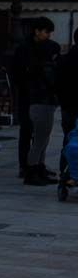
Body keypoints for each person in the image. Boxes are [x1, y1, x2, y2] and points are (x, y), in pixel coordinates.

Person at [16, 17, 61, 186]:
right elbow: (20, 74)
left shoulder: (47, 48)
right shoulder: (24, 50)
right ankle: (28, 167)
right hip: (31, 96)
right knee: (28, 131)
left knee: (41, 136)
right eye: (46, 32)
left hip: (41, 96)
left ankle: (37, 166)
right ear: (37, 31)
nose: (48, 35)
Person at [57, 31, 78, 187]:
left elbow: (58, 83)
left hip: (67, 106)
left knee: (69, 140)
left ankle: (65, 172)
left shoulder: (65, 59)